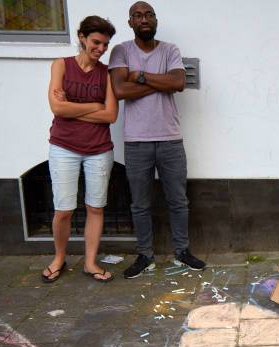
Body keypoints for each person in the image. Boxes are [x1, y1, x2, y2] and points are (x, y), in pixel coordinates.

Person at [109, 2, 205, 278]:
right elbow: (118, 89)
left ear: (156, 20)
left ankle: (182, 252)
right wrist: (158, 81)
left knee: (178, 200)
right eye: (137, 16)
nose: (144, 19)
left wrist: (138, 76)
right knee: (140, 203)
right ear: (130, 23)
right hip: (136, 141)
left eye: (149, 14)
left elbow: (177, 83)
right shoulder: (121, 51)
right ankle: (145, 256)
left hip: (170, 139)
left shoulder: (170, 50)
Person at [43, 16, 118, 283]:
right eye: (96, 42)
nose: (100, 48)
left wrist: (74, 109)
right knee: (63, 209)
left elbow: (110, 116)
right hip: (64, 147)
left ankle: (90, 262)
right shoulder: (61, 66)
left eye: (105, 44)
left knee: (95, 207)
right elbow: (57, 109)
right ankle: (59, 257)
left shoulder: (107, 74)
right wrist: (94, 107)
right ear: (82, 38)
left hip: (99, 149)